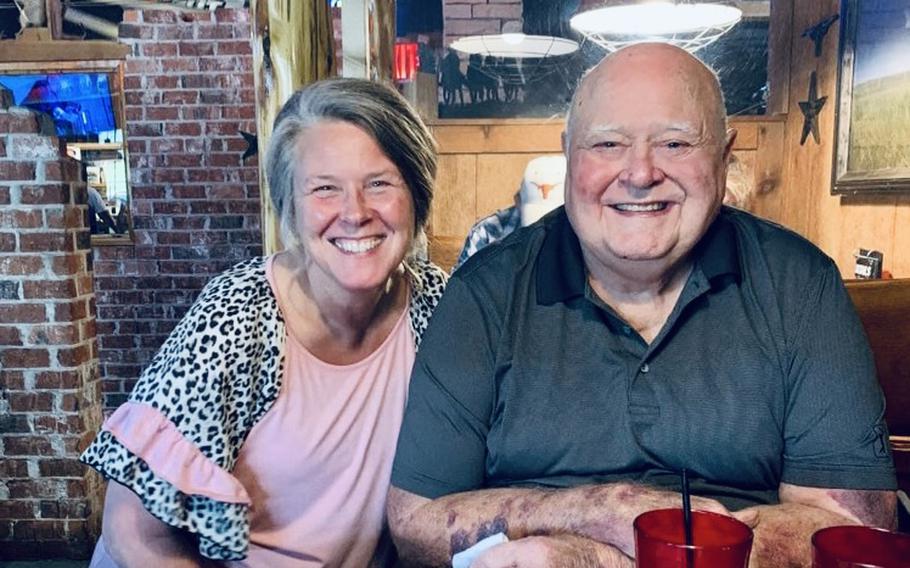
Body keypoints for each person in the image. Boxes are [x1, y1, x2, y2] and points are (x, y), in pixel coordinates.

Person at [387, 43, 897, 567]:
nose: (639, 173)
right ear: (570, 154)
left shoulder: (800, 284)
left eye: (675, 143)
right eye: (607, 143)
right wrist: (594, 510)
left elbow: (854, 526)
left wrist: (603, 559)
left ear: (725, 155)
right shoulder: (484, 291)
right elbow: (416, 521)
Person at [80, 78, 448, 567]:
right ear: (290, 207)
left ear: (416, 194)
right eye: (324, 189)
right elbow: (131, 531)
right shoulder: (240, 314)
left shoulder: (437, 305)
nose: (355, 212)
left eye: (379, 183)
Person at [453, 155, 566, 271]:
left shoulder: (581, 233)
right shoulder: (487, 233)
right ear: (518, 200)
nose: (543, 227)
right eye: (535, 220)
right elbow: (459, 287)